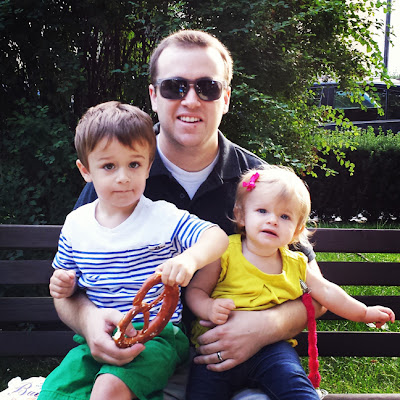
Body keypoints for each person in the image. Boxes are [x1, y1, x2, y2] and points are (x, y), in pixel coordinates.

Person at [49, 29, 325, 399]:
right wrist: (88, 321)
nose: (191, 100)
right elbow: (67, 285)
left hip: (239, 370)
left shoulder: (262, 185)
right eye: (174, 87)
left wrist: (263, 328)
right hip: (135, 362)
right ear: (153, 96)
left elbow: (315, 291)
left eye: (208, 87)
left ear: (225, 98)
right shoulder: (114, 178)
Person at [40, 101, 229, 400]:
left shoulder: (163, 217)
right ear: (86, 170)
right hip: (97, 337)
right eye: (109, 166)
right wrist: (62, 285)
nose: (123, 177)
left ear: (148, 167)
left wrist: (189, 259)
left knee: (110, 388)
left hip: (158, 336)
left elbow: (216, 237)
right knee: (55, 391)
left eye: (134, 164)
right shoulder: (76, 225)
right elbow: (66, 284)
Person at [185, 165, 396, 400]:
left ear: (297, 230)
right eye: (262, 211)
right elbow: (196, 290)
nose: (272, 220)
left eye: (284, 216)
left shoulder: (296, 264)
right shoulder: (224, 251)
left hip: (271, 349)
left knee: (296, 386)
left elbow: (326, 291)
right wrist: (208, 307)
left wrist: (364, 312)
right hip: (217, 347)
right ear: (241, 215)